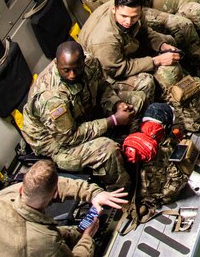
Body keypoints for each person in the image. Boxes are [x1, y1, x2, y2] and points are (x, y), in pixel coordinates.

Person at [79, 0, 200, 133]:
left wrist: (162, 45)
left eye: (134, 17)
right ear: (114, 9)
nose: (128, 21)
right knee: (147, 80)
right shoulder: (104, 39)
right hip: (106, 76)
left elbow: (144, 32)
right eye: (124, 16)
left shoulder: (133, 11)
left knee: (169, 40)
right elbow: (117, 69)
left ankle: (194, 91)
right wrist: (156, 61)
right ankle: (152, 123)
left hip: (124, 53)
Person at [21, 41, 146, 191]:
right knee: (107, 149)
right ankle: (122, 190)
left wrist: (116, 104)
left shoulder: (91, 63)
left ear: (83, 61)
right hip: (57, 143)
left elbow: (102, 87)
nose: (72, 75)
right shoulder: (51, 98)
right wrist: (113, 120)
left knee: (137, 100)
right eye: (66, 70)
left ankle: (134, 148)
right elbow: (69, 137)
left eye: (77, 68)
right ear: (56, 63)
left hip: (83, 113)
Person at [0, 159, 127, 257]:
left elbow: (53, 185)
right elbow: (46, 244)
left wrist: (93, 194)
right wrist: (87, 237)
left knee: (69, 234)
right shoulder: (43, 241)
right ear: (54, 196)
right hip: (26, 248)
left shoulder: (1, 197)